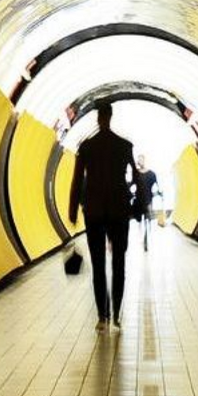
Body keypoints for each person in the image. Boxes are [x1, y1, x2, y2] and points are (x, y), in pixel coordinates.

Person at [68, 102, 136, 330]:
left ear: (99, 118)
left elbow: (77, 180)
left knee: (98, 265)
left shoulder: (86, 147)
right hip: (119, 210)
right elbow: (136, 179)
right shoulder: (125, 146)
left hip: (94, 211)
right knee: (119, 263)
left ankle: (102, 316)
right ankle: (116, 312)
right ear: (111, 116)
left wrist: (72, 211)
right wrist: (135, 203)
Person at [132, 155, 162, 250]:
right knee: (139, 221)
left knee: (147, 221)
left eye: (141, 159)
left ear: (144, 160)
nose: (140, 161)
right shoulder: (135, 173)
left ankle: (145, 239)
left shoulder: (152, 174)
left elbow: (156, 186)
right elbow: (131, 184)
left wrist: (158, 193)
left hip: (148, 202)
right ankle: (142, 237)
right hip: (138, 202)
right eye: (138, 160)